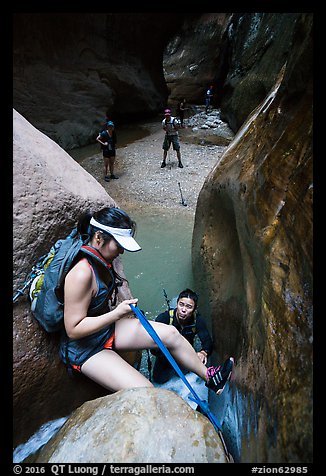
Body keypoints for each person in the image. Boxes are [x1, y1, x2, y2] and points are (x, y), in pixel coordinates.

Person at [59, 206, 234, 395]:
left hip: (103, 331)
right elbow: (73, 329)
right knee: (147, 393)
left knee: (171, 334)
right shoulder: (82, 273)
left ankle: (211, 378)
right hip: (85, 348)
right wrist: (117, 313)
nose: (122, 252)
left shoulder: (102, 260)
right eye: (118, 245)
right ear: (99, 238)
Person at [152, 288, 215, 384]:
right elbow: (152, 346)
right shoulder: (164, 318)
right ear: (177, 304)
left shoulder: (197, 321)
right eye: (181, 305)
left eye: (189, 307)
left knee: (185, 382)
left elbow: (207, 342)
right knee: (158, 382)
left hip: (185, 356)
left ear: (194, 309)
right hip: (164, 358)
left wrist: (203, 353)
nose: (183, 310)